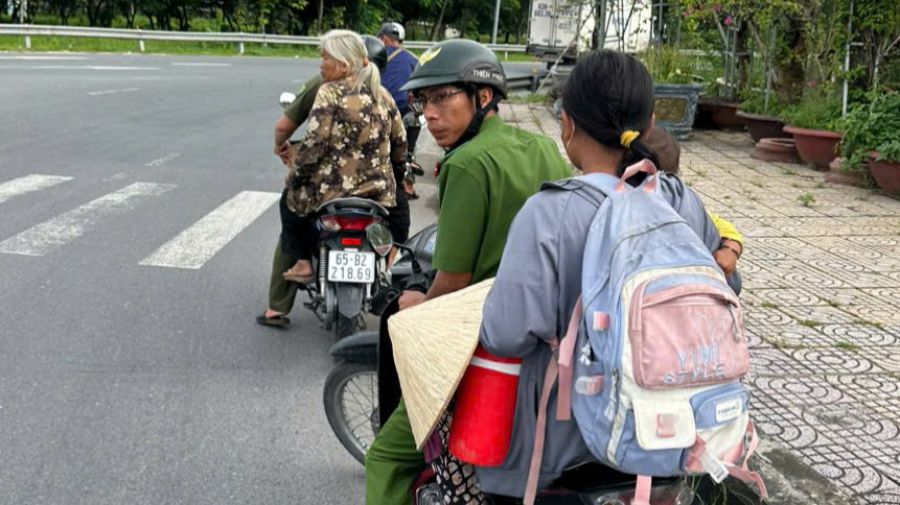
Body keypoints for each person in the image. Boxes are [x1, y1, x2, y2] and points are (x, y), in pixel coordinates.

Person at [466, 50, 744, 500]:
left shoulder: (548, 213)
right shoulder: (680, 200)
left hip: (565, 451)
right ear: (650, 124)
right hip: (670, 436)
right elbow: (727, 285)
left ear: (566, 124)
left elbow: (506, 335)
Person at [363, 39, 575, 505]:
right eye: (423, 101)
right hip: (545, 337)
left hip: (476, 346)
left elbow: (453, 281)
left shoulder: (466, 163)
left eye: (443, 97)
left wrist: (419, 306)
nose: (430, 114)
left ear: (482, 97)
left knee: (386, 457)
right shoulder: (543, 147)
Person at [258, 34, 404, 327]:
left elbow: (315, 142)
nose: (321, 64)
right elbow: (399, 142)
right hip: (377, 192)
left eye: (325, 57)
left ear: (344, 64)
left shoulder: (328, 91)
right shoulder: (383, 94)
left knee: (290, 203)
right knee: (400, 219)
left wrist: (297, 174)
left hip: (331, 190)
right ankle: (391, 259)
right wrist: (397, 176)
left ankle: (301, 265)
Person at [377, 21, 423, 199]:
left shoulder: (376, 56)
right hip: (405, 113)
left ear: (385, 39)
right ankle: (408, 185)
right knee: (409, 149)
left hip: (380, 112)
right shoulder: (412, 59)